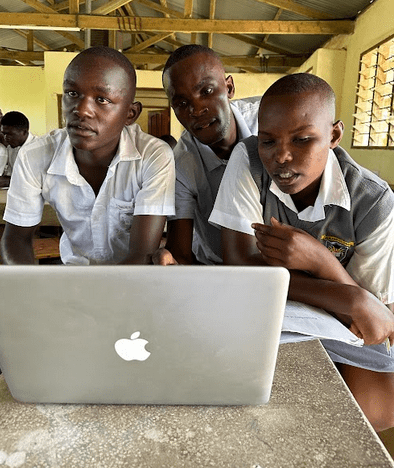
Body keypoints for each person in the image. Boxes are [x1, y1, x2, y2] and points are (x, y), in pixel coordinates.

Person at [209, 72, 394, 432]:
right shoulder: (248, 160)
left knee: (378, 411)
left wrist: (320, 261)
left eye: (303, 139)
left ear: (334, 136)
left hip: (338, 323)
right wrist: (347, 295)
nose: (281, 156)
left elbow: (373, 319)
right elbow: (239, 263)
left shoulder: (374, 202)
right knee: (258, 407)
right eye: (268, 141)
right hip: (276, 312)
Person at [1, 46, 175, 265]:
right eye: (72, 94)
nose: (81, 110)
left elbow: (142, 254)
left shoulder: (153, 156)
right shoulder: (35, 155)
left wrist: (98, 298)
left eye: (102, 99)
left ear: (130, 114)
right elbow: (16, 239)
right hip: (73, 274)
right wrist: (36, 292)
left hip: (132, 281)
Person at [155, 44, 260, 265]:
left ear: (229, 87)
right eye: (182, 103)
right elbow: (181, 253)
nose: (196, 109)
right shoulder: (180, 165)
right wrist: (170, 262)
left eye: (206, 91)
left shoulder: (270, 122)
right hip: (217, 267)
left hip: (281, 267)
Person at [0, 110, 36, 188]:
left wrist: (8, 181)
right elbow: (11, 174)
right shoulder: (11, 148)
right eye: (4, 134)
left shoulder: (38, 148)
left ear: (24, 132)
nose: (6, 138)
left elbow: (37, 180)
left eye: (10, 134)